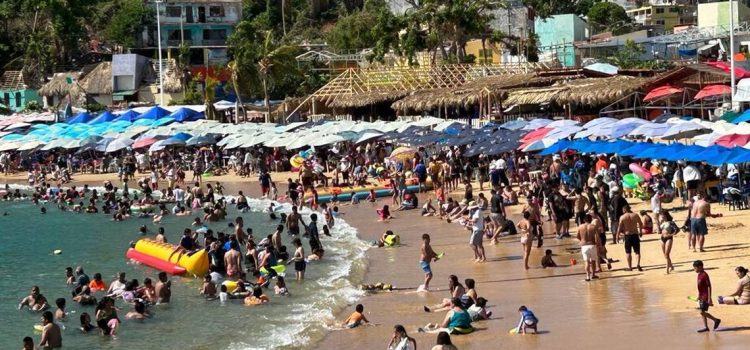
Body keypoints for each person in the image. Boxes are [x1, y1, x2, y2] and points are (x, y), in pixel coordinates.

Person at [693, 260, 721, 332]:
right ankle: (706, 327)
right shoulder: (699, 274)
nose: (694, 269)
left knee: (702, 312)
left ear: (700, 267)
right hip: (701, 296)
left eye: (695, 268)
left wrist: (709, 298)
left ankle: (716, 320)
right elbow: (700, 287)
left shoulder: (704, 275)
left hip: (705, 296)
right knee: (702, 312)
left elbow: (709, 286)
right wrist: (699, 296)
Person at [617, 205, 643, 272]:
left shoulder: (622, 217)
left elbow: (619, 227)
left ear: (625, 210)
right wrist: (640, 232)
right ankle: (638, 264)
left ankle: (630, 267)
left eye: (623, 210)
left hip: (627, 235)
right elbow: (640, 224)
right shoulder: (635, 215)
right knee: (637, 251)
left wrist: (617, 236)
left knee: (628, 252)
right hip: (635, 234)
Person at [577, 214, 600, 281]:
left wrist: (582, 240)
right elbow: (597, 237)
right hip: (592, 245)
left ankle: (587, 276)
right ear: (591, 219)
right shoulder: (593, 226)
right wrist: (598, 244)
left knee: (586, 262)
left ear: (584, 220)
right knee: (593, 261)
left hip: (584, 246)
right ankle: (593, 275)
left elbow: (578, 236)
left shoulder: (580, 226)